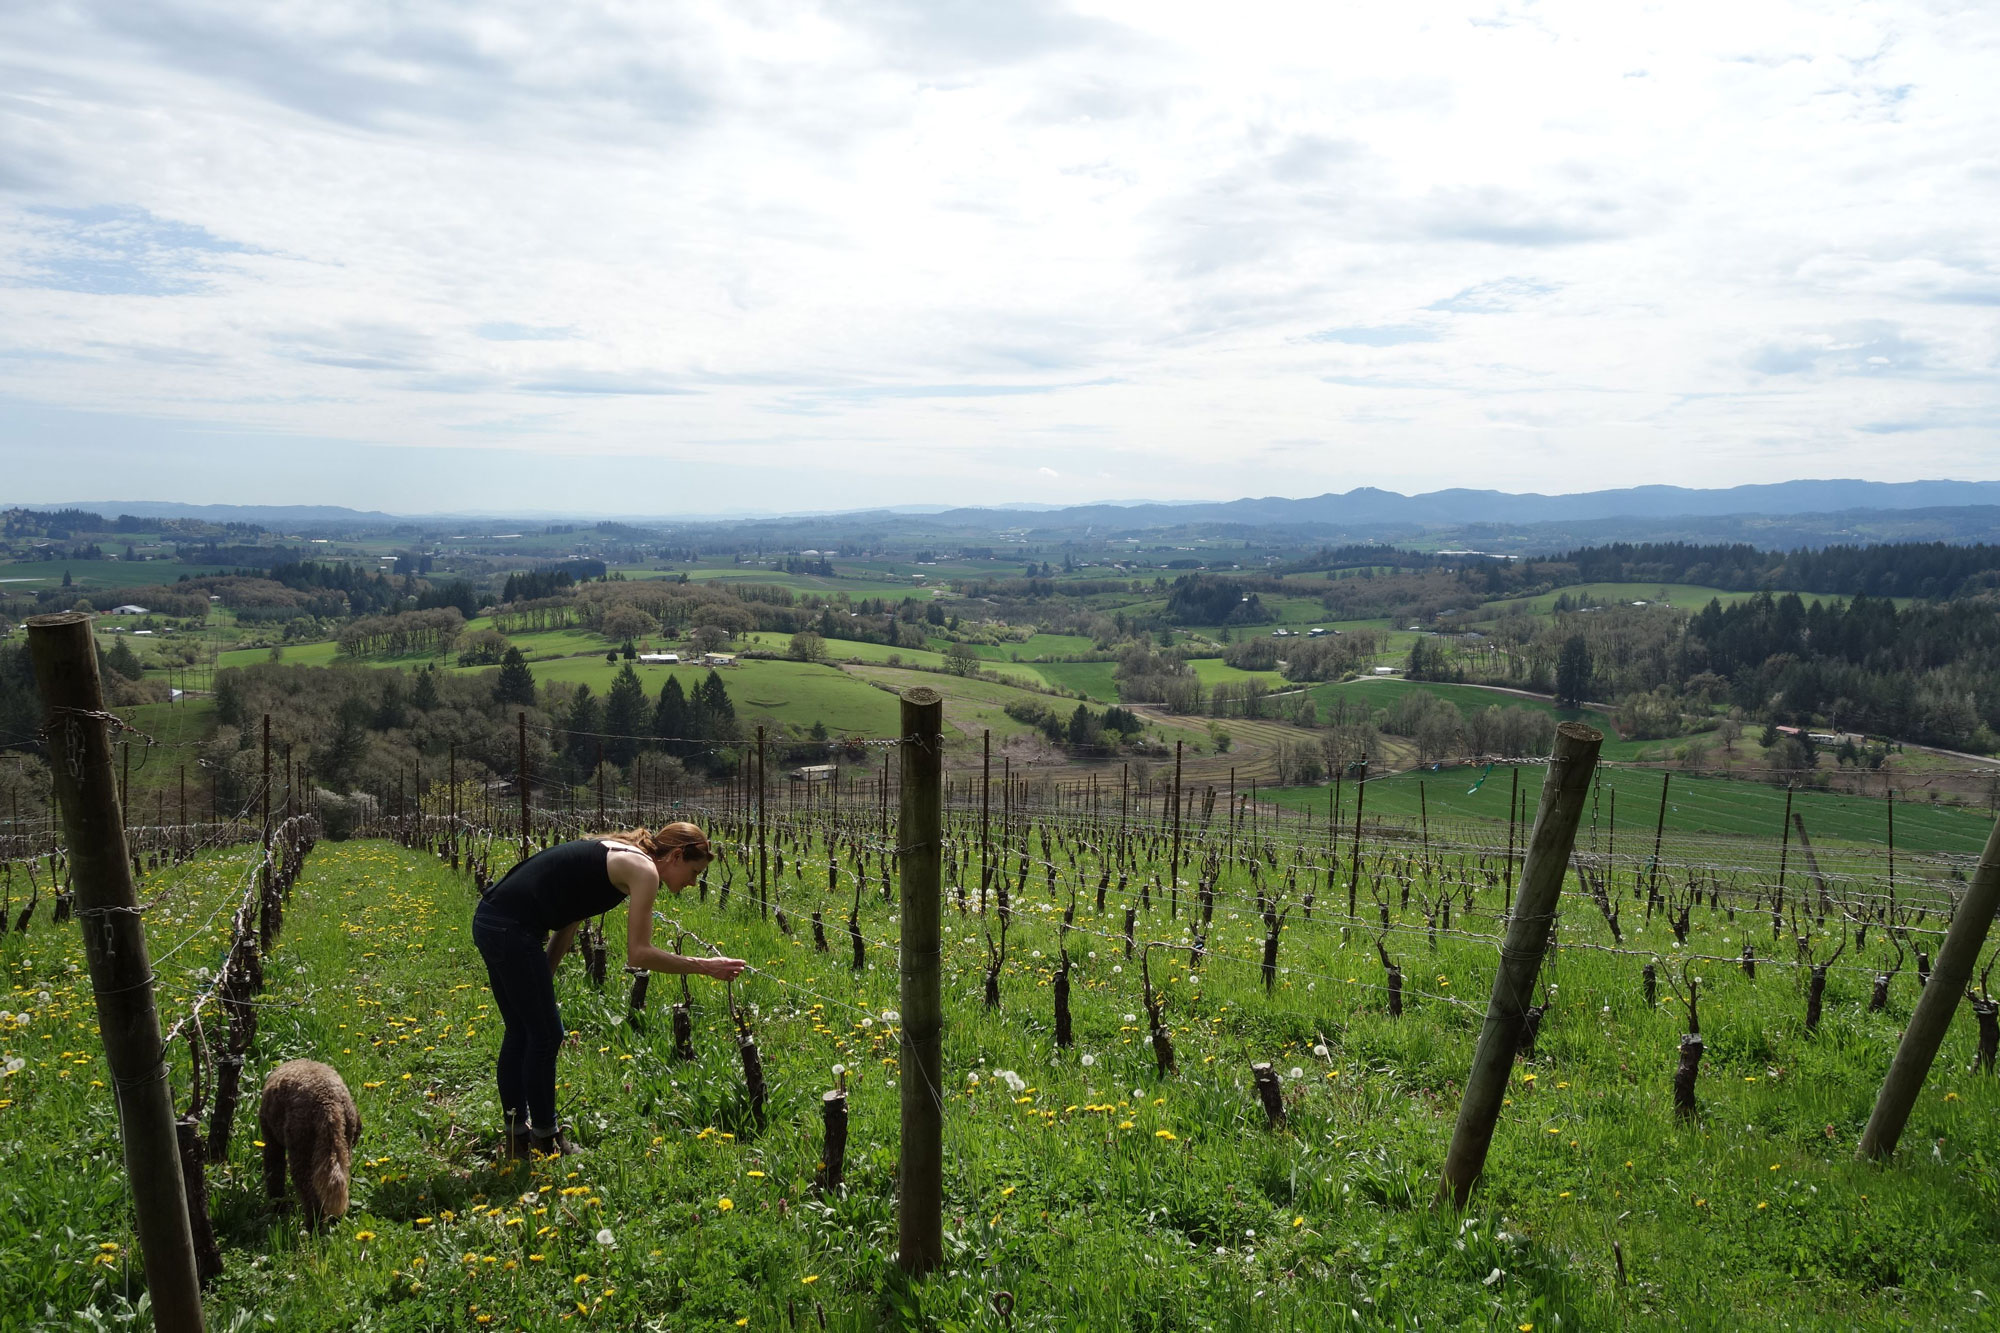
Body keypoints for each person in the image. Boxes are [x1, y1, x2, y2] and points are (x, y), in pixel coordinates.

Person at [471, 820, 745, 1157]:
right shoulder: (644, 870)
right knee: (544, 1035)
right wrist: (706, 967)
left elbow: (570, 916)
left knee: (522, 1030)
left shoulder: (620, 854)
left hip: (492, 920)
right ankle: (545, 1136)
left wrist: (544, 976)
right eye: (694, 872)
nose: (692, 883)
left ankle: (519, 1137)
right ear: (675, 856)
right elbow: (639, 953)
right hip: (511, 931)